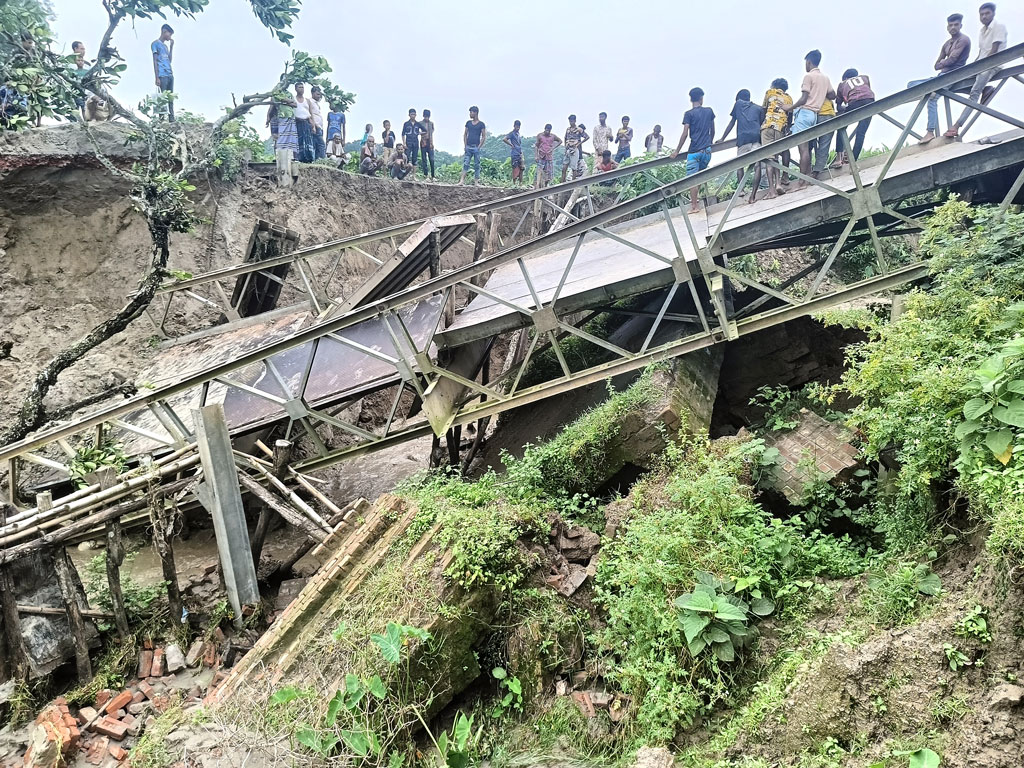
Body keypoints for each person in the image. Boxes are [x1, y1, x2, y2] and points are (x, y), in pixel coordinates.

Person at [946, 3, 1008, 139]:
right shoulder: (982, 31)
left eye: (987, 13)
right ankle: (986, 89)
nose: (984, 16)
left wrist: (980, 67)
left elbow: (994, 50)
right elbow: (981, 52)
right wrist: (972, 68)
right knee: (956, 83)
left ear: (993, 13)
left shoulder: (998, 27)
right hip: (981, 64)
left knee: (974, 93)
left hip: (992, 65)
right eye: (982, 14)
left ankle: (956, 126)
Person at [907, 14, 971, 145]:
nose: (953, 27)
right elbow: (936, 65)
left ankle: (930, 132)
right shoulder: (947, 44)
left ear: (961, 26)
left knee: (933, 98)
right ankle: (930, 90)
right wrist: (944, 63)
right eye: (951, 25)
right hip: (941, 77)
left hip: (954, 75)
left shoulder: (964, 40)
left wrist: (944, 62)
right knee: (911, 85)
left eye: (956, 25)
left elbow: (953, 59)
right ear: (947, 27)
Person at [781, 50, 835, 187]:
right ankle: (806, 178)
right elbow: (832, 94)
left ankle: (802, 181)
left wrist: (790, 108)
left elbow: (804, 98)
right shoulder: (825, 78)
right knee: (808, 147)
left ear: (809, 62)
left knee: (803, 149)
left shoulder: (808, 76)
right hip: (815, 115)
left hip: (805, 113)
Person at [671, 87, 716, 214]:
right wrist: (710, 142)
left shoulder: (689, 114)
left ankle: (694, 206)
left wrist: (677, 151)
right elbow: (712, 130)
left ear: (691, 99)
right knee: (700, 177)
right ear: (701, 98)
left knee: (692, 180)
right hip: (706, 150)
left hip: (694, 151)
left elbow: (685, 133)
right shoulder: (709, 111)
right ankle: (696, 203)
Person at [750, 78, 793, 202]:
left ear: (774, 85)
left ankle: (772, 190)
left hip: (767, 127)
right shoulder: (789, 98)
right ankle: (779, 183)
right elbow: (790, 115)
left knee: (769, 159)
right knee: (777, 157)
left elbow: (763, 109)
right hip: (780, 128)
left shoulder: (770, 92)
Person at [719, 89, 765, 187]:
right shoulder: (759, 108)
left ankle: (741, 190)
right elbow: (761, 124)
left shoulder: (738, 104)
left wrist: (722, 138)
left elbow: (732, 122)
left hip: (743, 139)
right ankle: (755, 191)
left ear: (738, 98)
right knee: (757, 165)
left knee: (740, 166)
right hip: (756, 137)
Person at [833, 68, 876, 166]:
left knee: (841, 128)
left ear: (845, 78)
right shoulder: (865, 78)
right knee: (861, 133)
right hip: (870, 101)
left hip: (854, 102)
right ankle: (853, 159)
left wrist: (844, 108)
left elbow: (839, 106)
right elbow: (867, 92)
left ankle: (839, 159)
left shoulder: (842, 84)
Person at [151, 24, 174, 122]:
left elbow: (169, 60)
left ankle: (171, 118)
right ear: (164, 32)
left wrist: (171, 47)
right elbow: (155, 61)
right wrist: (157, 77)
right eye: (170, 34)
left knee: (170, 97)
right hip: (162, 74)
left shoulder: (165, 46)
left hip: (169, 74)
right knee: (162, 98)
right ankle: (161, 120)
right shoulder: (155, 44)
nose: (170, 37)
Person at [460, 106, 486, 185]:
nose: (470, 114)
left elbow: (484, 136)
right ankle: (461, 181)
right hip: (468, 146)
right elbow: (465, 134)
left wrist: (479, 147)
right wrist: (465, 145)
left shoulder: (481, 124)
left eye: (471, 112)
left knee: (477, 165)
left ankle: (476, 182)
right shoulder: (468, 123)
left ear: (475, 113)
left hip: (476, 147)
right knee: (466, 163)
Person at [561, 114, 589, 182]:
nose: (571, 122)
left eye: (572, 121)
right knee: (564, 168)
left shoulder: (579, 129)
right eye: (570, 121)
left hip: (574, 150)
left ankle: (572, 185)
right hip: (568, 149)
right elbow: (565, 138)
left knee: (574, 168)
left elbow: (587, 137)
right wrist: (565, 147)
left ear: (575, 121)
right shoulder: (568, 129)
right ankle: (562, 183)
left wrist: (579, 144)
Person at [291, 83, 315, 163]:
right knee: (298, 140)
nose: (301, 89)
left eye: (303, 87)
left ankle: (309, 159)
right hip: (297, 122)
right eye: (299, 87)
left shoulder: (307, 101)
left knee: (308, 141)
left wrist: (313, 125)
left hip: (306, 122)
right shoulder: (293, 99)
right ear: (296, 89)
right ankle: (299, 158)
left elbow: (311, 114)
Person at [503, 120, 525, 184]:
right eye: (516, 126)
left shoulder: (518, 134)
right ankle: (514, 183)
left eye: (519, 127)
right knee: (515, 168)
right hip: (514, 153)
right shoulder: (512, 133)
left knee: (521, 168)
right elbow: (504, 139)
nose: (517, 128)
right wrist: (511, 144)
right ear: (514, 126)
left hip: (519, 153)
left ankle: (520, 183)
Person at [310, 85, 326, 160]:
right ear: (312, 93)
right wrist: (314, 125)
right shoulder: (310, 102)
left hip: (319, 126)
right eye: (317, 94)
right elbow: (310, 114)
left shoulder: (316, 103)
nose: (319, 96)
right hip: (315, 126)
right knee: (321, 144)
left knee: (317, 145)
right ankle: (322, 160)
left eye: (320, 94)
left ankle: (317, 160)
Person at [419, 109, 436, 179]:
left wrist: (431, 143)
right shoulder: (420, 123)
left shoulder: (431, 123)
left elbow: (432, 132)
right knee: (424, 159)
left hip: (430, 142)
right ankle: (425, 175)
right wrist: (423, 133)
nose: (426, 118)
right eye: (425, 116)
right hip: (423, 142)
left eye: (428, 117)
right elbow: (418, 132)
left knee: (431, 159)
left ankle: (433, 175)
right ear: (423, 116)